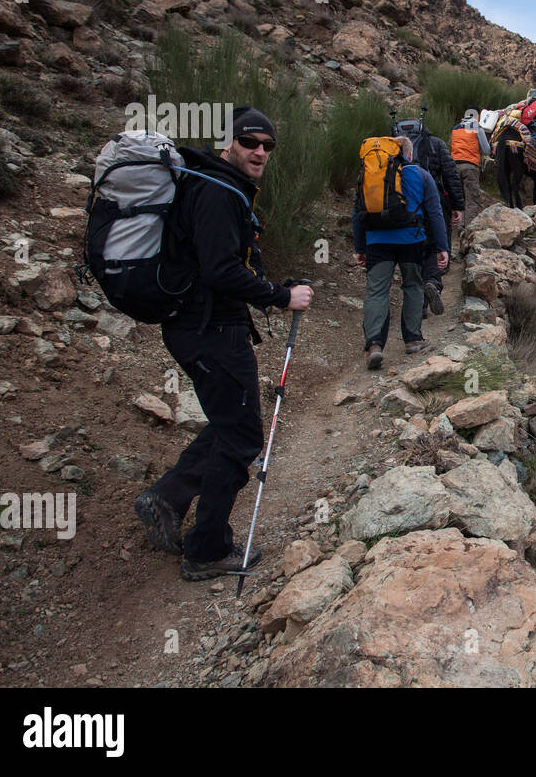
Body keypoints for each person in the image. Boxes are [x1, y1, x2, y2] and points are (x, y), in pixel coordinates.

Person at [133, 106, 314, 581]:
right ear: (226, 144)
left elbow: (222, 265)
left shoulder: (213, 185)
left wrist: (275, 285)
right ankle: (208, 550)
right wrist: (280, 297)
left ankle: (167, 498)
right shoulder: (217, 191)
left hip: (199, 326)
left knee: (228, 423)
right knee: (242, 437)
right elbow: (220, 271)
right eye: (250, 142)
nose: (259, 151)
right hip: (211, 331)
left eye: (267, 146)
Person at [353, 133, 450, 369]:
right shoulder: (420, 175)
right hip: (412, 240)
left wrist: (360, 247)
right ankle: (414, 340)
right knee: (413, 286)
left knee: (377, 292)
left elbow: (357, 212)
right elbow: (435, 213)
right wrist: (442, 247)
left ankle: (375, 345)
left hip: (376, 240)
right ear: (409, 153)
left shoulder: (370, 175)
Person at [401, 118, 463, 315]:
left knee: (414, 250)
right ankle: (433, 283)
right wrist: (458, 205)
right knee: (435, 247)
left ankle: (419, 302)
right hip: (436, 203)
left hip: (406, 207)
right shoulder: (437, 144)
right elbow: (451, 175)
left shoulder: (391, 147)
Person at [450, 108, 490, 229]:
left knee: (458, 198)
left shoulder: (455, 128)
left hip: (454, 167)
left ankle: (458, 227)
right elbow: (486, 150)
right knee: (471, 199)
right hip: (470, 167)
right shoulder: (477, 128)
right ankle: (468, 231)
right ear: (477, 116)